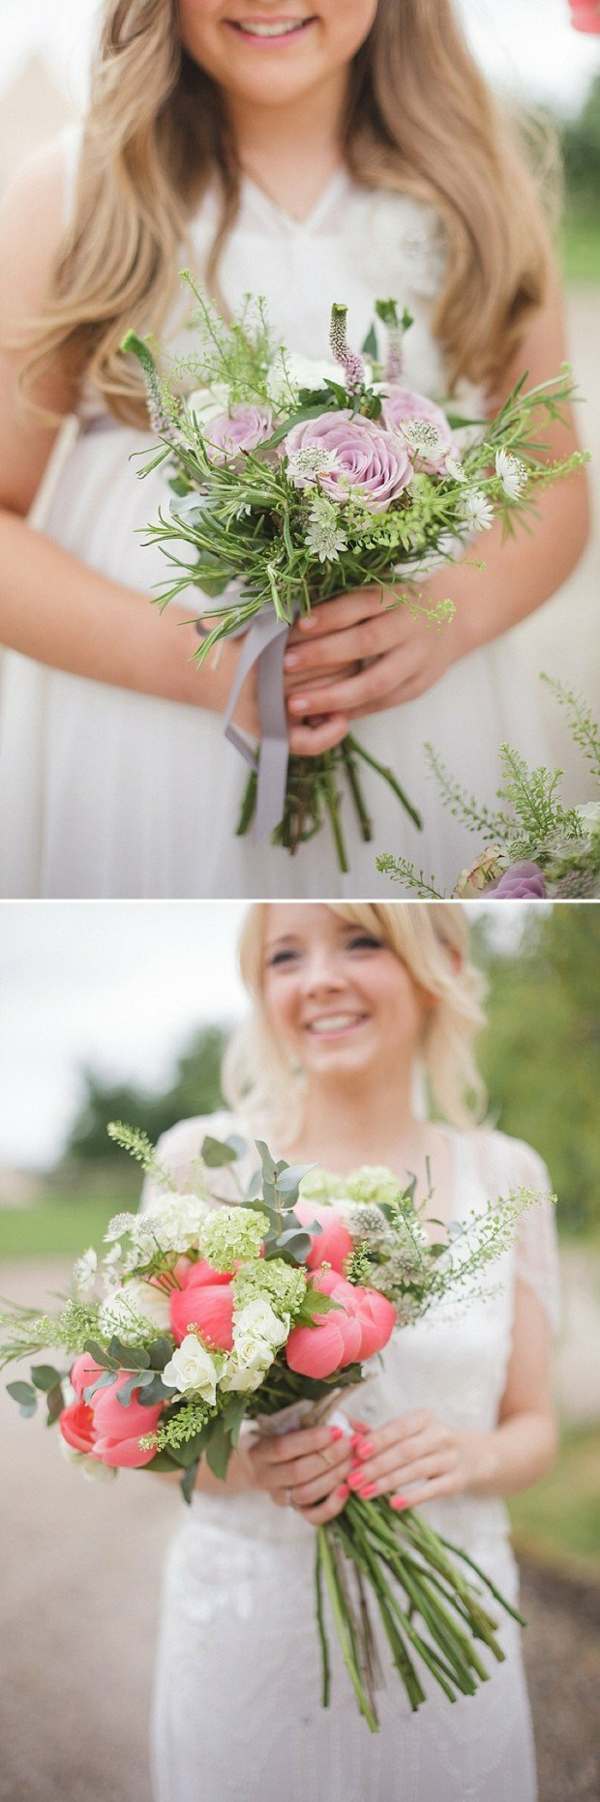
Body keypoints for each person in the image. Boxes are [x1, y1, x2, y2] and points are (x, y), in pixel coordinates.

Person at [0, 1, 589, 898]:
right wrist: (206, 664)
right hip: (149, 731)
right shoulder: (74, 196)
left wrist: (448, 615)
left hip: (421, 716)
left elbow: (552, 483)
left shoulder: (475, 192)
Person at [141, 901, 560, 1802]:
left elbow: (535, 1427)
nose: (319, 977)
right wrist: (254, 1468)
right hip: (248, 1630)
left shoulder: (508, 1176)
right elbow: (145, 1428)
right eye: (285, 957)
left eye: (360, 940)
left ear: (437, 961)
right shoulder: (199, 1167)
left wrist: (471, 1452)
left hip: (457, 1621)